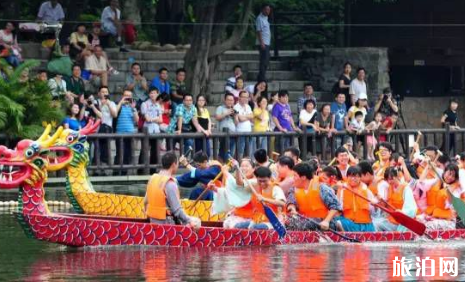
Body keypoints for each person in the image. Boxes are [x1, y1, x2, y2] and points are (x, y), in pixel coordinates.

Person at [144, 152, 201, 228]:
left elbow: (145, 202)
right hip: (167, 225)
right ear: (174, 164)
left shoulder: (152, 178)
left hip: (152, 221)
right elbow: (177, 210)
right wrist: (189, 220)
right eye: (177, 163)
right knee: (197, 222)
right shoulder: (169, 183)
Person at [222, 166, 285, 230]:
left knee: (256, 228)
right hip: (257, 220)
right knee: (237, 227)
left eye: (264, 181)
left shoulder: (276, 188)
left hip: (271, 222)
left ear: (269, 178)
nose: (262, 183)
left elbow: (282, 203)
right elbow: (239, 183)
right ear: (256, 178)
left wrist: (264, 199)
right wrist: (238, 170)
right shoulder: (254, 183)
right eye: (260, 181)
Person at [286, 163, 342, 231]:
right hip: (304, 221)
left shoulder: (322, 188)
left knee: (305, 225)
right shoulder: (294, 189)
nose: (293, 179)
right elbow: (291, 202)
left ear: (303, 177)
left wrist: (326, 221)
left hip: (323, 223)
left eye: (295, 176)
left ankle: (338, 225)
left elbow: (336, 206)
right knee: (288, 223)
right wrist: (292, 209)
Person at [372, 167, 417, 232]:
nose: (389, 181)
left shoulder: (406, 188)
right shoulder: (389, 188)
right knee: (373, 221)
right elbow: (386, 206)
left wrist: (403, 212)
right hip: (391, 220)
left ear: (396, 176)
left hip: (401, 222)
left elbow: (412, 208)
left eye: (391, 179)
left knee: (376, 224)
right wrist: (378, 203)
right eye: (387, 180)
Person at [336, 166, 378, 232]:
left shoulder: (366, 191)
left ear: (360, 178)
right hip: (349, 223)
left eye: (356, 176)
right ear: (347, 177)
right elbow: (338, 208)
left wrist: (375, 206)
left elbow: (374, 212)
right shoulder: (342, 190)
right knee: (337, 221)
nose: (353, 179)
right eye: (350, 176)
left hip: (365, 225)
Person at [114, 90, 139, 175]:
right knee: (119, 152)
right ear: (122, 96)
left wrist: (133, 108)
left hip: (130, 132)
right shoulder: (119, 105)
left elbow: (137, 120)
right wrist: (121, 102)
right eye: (125, 96)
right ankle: (116, 171)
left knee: (127, 152)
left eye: (129, 96)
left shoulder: (133, 107)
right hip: (119, 132)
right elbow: (115, 113)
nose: (127, 98)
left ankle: (124, 171)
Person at [95, 86, 117, 170]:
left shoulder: (111, 103)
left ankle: (104, 166)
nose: (104, 93)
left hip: (107, 127)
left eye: (106, 92)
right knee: (97, 148)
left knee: (105, 148)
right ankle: (97, 167)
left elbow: (114, 115)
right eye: (102, 92)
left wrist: (107, 104)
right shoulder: (96, 102)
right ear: (99, 93)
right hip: (96, 127)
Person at [216, 93, 237, 161]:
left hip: (233, 134)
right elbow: (217, 117)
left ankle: (228, 166)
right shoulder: (220, 108)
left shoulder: (234, 109)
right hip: (223, 134)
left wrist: (235, 116)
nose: (230, 101)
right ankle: (222, 166)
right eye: (228, 100)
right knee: (223, 151)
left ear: (233, 101)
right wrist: (226, 113)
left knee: (231, 152)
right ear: (225, 100)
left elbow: (236, 123)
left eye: (231, 100)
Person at [234, 91, 254, 160]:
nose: (245, 99)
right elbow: (241, 119)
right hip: (240, 132)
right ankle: (239, 166)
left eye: (247, 97)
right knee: (240, 152)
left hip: (249, 132)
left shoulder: (248, 106)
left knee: (249, 152)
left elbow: (252, 116)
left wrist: (244, 117)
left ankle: (247, 166)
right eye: (243, 97)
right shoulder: (236, 107)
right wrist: (247, 117)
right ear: (239, 97)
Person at [256, 4, 271, 81]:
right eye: (266, 9)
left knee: (266, 60)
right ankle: (262, 78)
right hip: (263, 42)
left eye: (269, 10)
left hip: (267, 42)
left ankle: (261, 76)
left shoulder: (266, 18)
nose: (268, 11)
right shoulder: (260, 18)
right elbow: (259, 31)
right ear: (262, 9)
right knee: (263, 61)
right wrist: (261, 42)